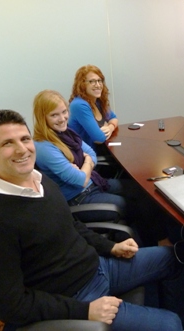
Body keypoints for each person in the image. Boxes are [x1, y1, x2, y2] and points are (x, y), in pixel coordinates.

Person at [0, 109, 184, 331]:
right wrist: (84, 310)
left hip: (98, 266)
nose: (22, 149)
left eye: (25, 139)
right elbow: (10, 305)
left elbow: (73, 225)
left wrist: (111, 247)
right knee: (170, 325)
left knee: (172, 257)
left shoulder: (41, 181)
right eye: (7, 143)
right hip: (76, 296)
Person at [33, 89, 172, 246]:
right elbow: (79, 180)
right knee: (135, 206)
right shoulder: (44, 146)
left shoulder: (66, 133)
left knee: (144, 191)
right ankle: (151, 248)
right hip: (79, 198)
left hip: (94, 183)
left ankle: (161, 239)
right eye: (54, 115)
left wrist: (84, 165)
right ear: (42, 117)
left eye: (64, 112)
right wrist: (85, 164)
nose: (62, 118)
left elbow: (91, 153)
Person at [68, 64, 117, 156]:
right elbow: (99, 138)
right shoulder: (79, 105)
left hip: (102, 151)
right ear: (82, 84)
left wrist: (110, 127)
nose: (98, 85)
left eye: (99, 81)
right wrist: (106, 126)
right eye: (92, 81)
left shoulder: (96, 101)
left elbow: (114, 118)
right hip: (87, 158)